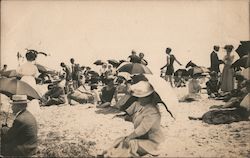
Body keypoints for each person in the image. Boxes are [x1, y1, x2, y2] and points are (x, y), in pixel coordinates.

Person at [103, 81, 164, 157]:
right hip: (142, 138)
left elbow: (143, 128)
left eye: (141, 97)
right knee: (121, 140)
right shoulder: (144, 107)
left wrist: (130, 137)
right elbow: (137, 119)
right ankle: (107, 154)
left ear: (148, 98)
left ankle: (112, 156)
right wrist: (127, 118)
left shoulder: (152, 111)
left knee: (129, 144)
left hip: (152, 143)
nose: (138, 99)